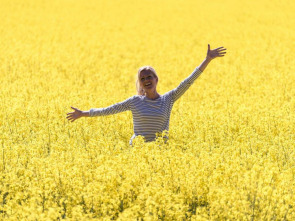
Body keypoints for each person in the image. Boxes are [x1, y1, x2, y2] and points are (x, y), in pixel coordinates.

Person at [66, 44, 226, 145]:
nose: (146, 80)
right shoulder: (135, 101)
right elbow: (109, 110)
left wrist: (207, 60)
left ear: (156, 79)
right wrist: (83, 114)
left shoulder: (168, 99)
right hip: (138, 151)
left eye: (149, 76)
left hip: (160, 151)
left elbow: (188, 82)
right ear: (140, 83)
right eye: (142, 78)